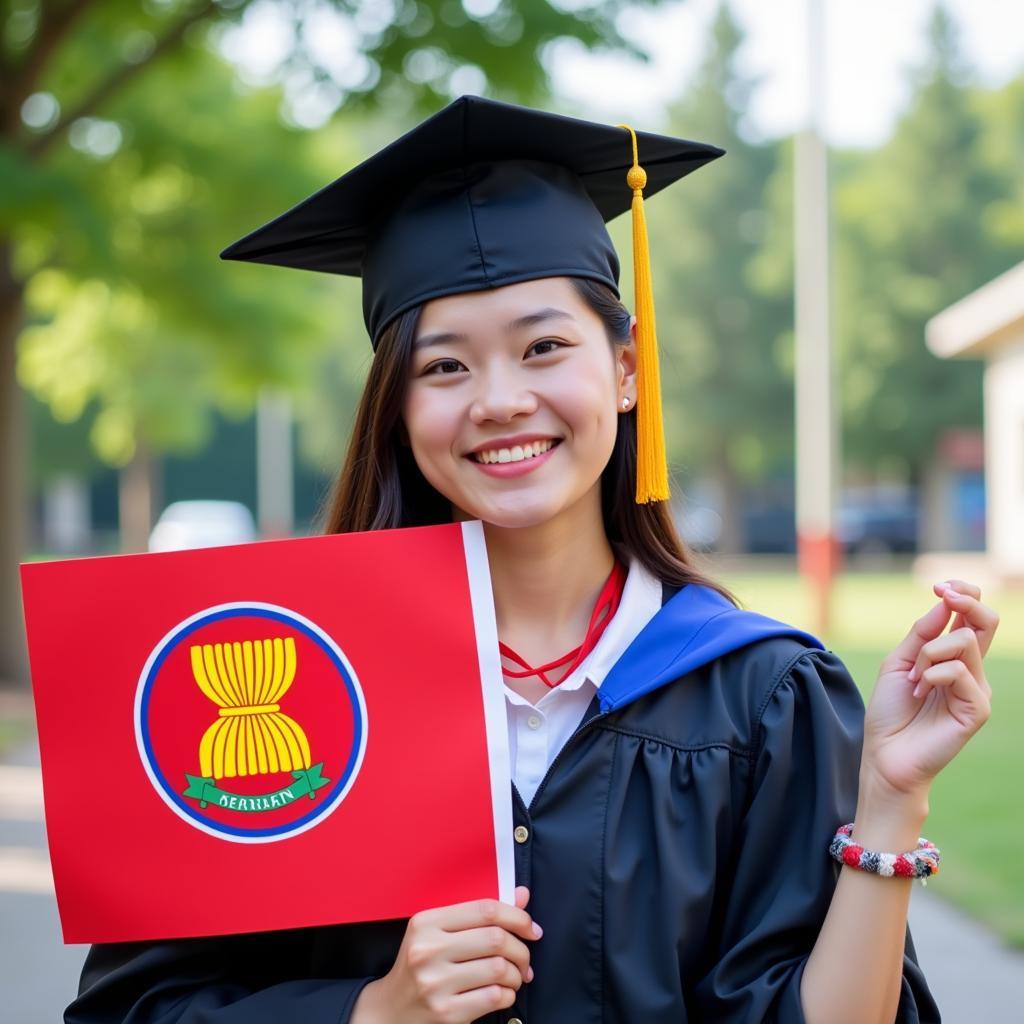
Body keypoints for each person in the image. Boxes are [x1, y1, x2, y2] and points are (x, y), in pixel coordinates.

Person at [66, 94, 998, 1024]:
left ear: (627, 370)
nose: (501, 400)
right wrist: (374, 1014)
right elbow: (132, 1010)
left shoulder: (760, 696)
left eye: (544, 347)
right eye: (445, 366)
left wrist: (887, 804)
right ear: (395, 404)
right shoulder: (274, 683)